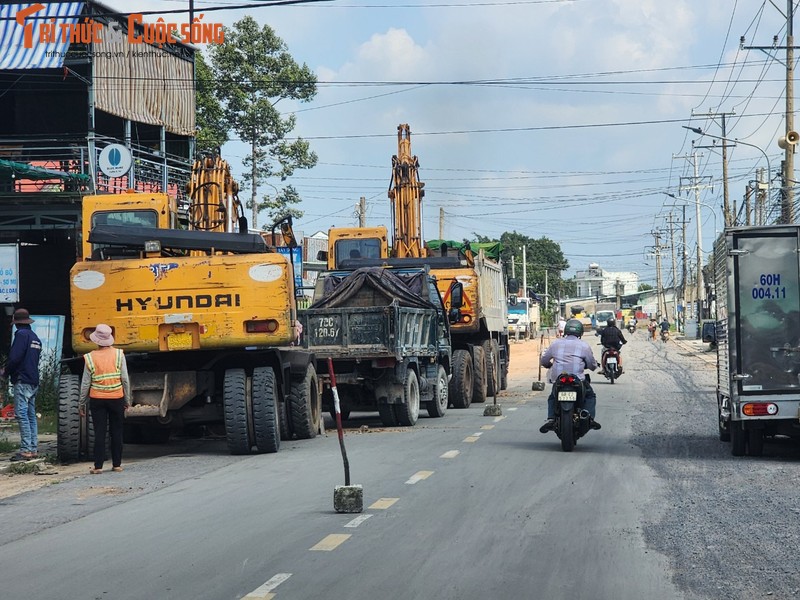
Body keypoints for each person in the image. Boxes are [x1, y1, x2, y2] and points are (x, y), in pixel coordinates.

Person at [79, 324, 131, 474]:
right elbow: (125, 379)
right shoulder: (119, 355)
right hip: (117, 398)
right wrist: (127, 400)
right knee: (117, 431)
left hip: (97, 399)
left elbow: (85, 383)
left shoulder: (90, 357)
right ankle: (117, 465)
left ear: (96, 340)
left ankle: (98, 466)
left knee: (100, 432)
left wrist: (81, 403)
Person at [539, 318, 600, 433]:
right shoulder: (584, 346)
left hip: (559, 379)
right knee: (590, 396)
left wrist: (548, 365)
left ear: (565, 331)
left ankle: (551, 418)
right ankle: (589, 417)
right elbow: (592, 364)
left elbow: (544, 360)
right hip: (578, 380)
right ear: (581, 332)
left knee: (553, 396)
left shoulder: (556, 343)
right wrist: (592, 366)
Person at [1, 309, 42, 461]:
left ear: (17, 324)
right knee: (31, 415)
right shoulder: (35, 337)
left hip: (22, 379)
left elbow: (15, 357)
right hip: (33, 380)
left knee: (22, 415)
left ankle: (25, 450)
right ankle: (33, 448)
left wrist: (6, 372)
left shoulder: (21, 335)